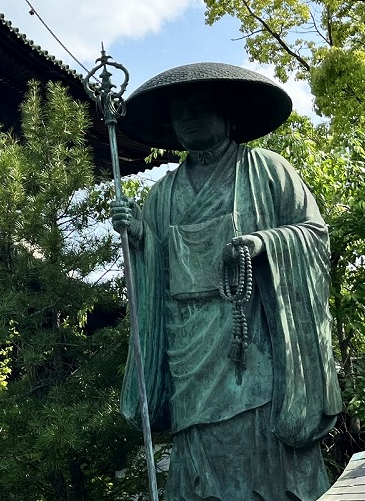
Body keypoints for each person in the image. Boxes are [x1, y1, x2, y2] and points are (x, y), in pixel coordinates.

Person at [110, 63, 341, 500]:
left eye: (200, 108)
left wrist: (263, 242)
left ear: (229, 114)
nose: (189, 119)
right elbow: (154, 270)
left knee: (260, 452)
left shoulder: (268, 170)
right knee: (199, 460)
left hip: (252, 340)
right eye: (180, 113)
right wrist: (140, 238)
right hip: (188, 345)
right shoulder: (164, 194)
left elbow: (312, 235)